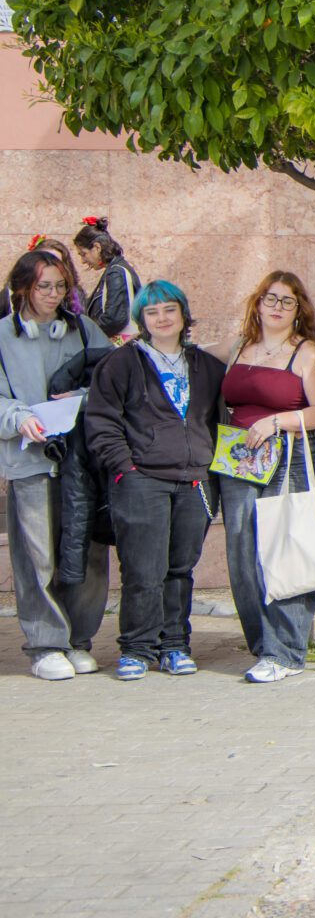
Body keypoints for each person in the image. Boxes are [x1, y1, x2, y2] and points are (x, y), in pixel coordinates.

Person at [86, 280, 223, 681]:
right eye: (152, 312)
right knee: (143, 569)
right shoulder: (121, 364)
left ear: (183, 314)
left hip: (194, 480)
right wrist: (125, 468)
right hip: (141, 479)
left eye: (169, 310)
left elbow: (218, 419)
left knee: (180, 569)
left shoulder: (206, 367)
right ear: (141, 319)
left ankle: (175, 646)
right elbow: (102, 422)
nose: (162, 318)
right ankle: (137, 648)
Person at [211, 272, 315, 683]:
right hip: (238, 460)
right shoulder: (239, 347)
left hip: (287, 456)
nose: (277, 307)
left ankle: (287, 651)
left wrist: (276, 421)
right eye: (271, 298)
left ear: (299, 309)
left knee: (284, 548)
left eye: (287, 301)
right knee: (242, 553)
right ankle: (264, 646)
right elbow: (185, 353)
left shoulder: (307, 352)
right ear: (258, 303)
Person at [1, 250, 113, 680]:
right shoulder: (3, 336)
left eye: (60, 286)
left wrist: (82, 399)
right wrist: (18, 418)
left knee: (88, 551)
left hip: (82, 461)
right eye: (43, 286)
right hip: (30, 461)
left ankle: (79, 640)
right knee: (38, 556)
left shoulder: (84, 329)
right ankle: (47, 644)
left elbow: (112, 380)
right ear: (22, 288)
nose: (53, 294)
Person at [73, 217, 141, 341]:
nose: (83, 261)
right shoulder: (116, 270)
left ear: (97, 247)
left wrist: (86, 335)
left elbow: (114, 319)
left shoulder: (116, 273)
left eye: (83, 254)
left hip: (119, 348)